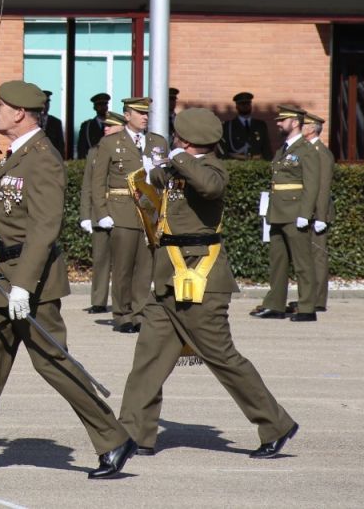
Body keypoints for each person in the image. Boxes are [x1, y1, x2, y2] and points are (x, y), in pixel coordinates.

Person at [0, 80, 137, 479]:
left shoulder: (43, 159)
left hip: (29, 282)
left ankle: (114, 439)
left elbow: (44, 227)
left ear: (20, 113)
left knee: (54, 364)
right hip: (2, 278)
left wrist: (23, 284)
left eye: (0, 105)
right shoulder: (17, 154)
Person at [119, 108, 300, 460]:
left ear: (186, 139)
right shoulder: (178, 165)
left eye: (177, 136)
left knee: (222, 357)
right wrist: (153, 170)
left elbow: (209, 186)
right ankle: (133, 433)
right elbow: (154, 185)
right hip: (167, 275)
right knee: (148, 358)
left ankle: (275, 424)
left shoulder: (211, 167)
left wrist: (180, 158)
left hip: (200, 277)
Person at [89, 96, 168, 333]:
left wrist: (155, 171)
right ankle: (122, 314)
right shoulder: (111, 143)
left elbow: (165, 182)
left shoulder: (158, 142)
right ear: (127, 115)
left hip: (148, 211)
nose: (145, 117)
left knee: (145, 267)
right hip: (120, 210)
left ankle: (140, 313)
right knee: (123, 267)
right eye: (140, 113)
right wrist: (102, 212)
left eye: (147, 113)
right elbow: (97, 181)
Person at [251, 105, 320, 322]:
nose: (278, 123)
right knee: (278, 262)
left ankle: (307, 307)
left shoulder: (306, 150)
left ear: (295, 122)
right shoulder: (284, 149)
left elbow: (312, 185)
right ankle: (275, 304)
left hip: (295, 212)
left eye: (283, 120)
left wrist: (306, 213)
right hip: (278, 211)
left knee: (302, 263)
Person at [78, 111, 125, 314]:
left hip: (123, 212)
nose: (105, 128)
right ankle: (98, 301)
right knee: (100, 259)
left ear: (121, 127)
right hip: (99, 212)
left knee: (124, 262)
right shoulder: (94, 151)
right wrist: (85, 215)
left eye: (110, 125)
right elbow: (88, 185)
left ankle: (123, 302)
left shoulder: (129, 149)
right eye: (105, 125)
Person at [301, 113, 335, 313]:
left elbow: (323, 187)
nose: (301, 127)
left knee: (318, 257)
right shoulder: (309, 150)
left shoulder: (320, 153)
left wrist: (320, 216)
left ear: (312, 128)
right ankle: (310, 297)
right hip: (309, 211)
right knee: (308, 256)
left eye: (304, 125)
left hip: (317, 213)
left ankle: (318, 300)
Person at [219, 92, 272, 160]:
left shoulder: (260, 125)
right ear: (236, 106)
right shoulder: (228, 126)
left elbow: (266, 148)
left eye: (247, 103)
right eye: (242, 104)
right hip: (235, 165)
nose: (245, 106)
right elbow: (223, 150)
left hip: (257, 165)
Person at [76, 92, 111, 159]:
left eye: (105, 104)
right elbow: (81, 149)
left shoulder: (114, 125)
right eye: (100, 105)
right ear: (94, 107)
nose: (103, 107)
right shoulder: (86, 126)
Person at [41, 90, 67, 159]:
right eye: (43, 103)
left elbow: (60, 145)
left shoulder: (56, 122)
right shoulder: (32, 121)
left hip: (52, 160)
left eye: (47, 103)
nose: (45, 106)